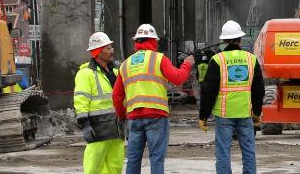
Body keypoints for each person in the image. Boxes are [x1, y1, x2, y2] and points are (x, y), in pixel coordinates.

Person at [112, 23, 194, 174]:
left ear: (136, 41)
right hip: (157, 116)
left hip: (134, 118)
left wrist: (123, 116)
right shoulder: (159, 59)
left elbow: (117, 96)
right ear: (154, 41)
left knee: (133, 159)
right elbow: (178, 78)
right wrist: (187, 65)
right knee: (156, 158)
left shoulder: (125, 64)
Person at [198, 20, 264, 174]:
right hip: (245, 114)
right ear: (240, 39)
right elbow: (259, 89)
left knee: (223, 152)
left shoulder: (217, 60)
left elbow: (208, 91)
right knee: (248, 152)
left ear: (223, 41)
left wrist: (203, 115)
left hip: (224, 115)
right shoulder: (251, 59)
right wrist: (257, 113)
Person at [74, 31, 124, 174]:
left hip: (117, 127)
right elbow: (81, 99)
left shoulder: (115, 71)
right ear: (97, 52)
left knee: (115, 166)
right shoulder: (86, 73)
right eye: (107, 48)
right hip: (98, 128)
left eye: (111, 48)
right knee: (93, 166)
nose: (111, 51)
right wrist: (84, 123)